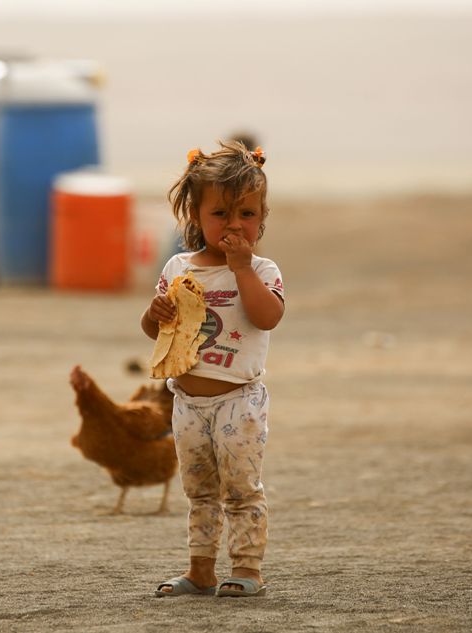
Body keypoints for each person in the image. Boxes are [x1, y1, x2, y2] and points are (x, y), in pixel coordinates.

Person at [140, 140, 284, 598]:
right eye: (220, 214)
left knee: (240, 488)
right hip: (186, 402)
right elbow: (155, 332)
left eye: (247, 214)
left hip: (238, 400)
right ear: (195, 217)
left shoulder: (262, 269)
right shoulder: (180, 267)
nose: (234, 225)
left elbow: (267, 317)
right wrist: (155, 312)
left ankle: (247, 568)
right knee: (199, 491)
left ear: (261, 217)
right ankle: (200, 569)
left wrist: (241, 270)